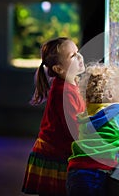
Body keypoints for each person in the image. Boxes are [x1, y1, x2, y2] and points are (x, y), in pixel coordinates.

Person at [66, 63, 119, 196]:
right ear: (110, 93)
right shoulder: (118, 111)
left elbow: (106, 137)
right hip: (97, 173)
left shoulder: (87, 113)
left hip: (76, 170)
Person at [22, 37, 86, 196]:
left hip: (61, 151)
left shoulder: (72, 84)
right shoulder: (63, 93)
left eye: (78, 52)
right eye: (73, 56)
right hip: (54, 156)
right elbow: (74, 129)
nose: (79, 57)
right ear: (58, 69)